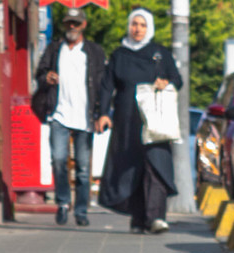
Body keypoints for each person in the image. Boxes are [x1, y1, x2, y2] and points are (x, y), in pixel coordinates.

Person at [98, 9, 184, 233]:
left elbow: (177, 79)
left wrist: (166, 82)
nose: (137, 29)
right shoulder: (119, 55)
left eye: (143, 25)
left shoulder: (159, 53)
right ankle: (138, 219)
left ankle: (156, 218)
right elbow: (107, 86)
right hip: (127, 120)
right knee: (131, 167)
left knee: (155, 165)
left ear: (150, 28)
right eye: (134, 24)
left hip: (154, 120)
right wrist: (103, 113)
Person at [36, 13, 109, 226]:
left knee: (83, 168)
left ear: (84, 25)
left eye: (76, 23)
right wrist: (46, 77)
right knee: (58, 159)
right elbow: (39, 73)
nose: (72, 26)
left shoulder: (94, 52)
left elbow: (103, 84)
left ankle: (81, 210)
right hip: (59, 113)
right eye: (68, 22)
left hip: (85, 116)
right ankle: (62, 203)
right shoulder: (54, 49)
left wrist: (101, 113)